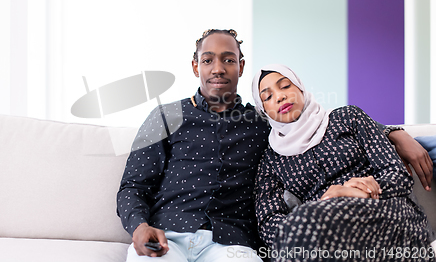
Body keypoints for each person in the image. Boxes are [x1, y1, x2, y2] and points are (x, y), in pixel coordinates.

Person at [117, 29, 432, 261]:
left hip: (231, 245)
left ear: (240, 67)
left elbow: (311, 121)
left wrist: (394, 132)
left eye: (228, 60)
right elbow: (132, 186)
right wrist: (139, 227)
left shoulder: (262, 123)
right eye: (208, 60)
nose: (217, 68)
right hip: (168, 235)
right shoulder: (164, 116)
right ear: (195, 66)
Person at [252, 64, 433, 261]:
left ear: (300, 88)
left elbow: (397, 174)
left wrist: (360, 191)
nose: (280, 97)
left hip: (383, 210)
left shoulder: (348, 117)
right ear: (264, 110)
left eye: (286, 86)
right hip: (322, 228)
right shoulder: (271, 160)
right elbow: (269, 223)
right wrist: (319, 209)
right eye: (267, 97)